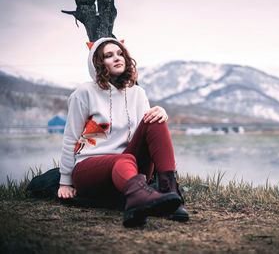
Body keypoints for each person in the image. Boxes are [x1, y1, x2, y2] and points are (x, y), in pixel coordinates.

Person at [58, 37, 189, 227]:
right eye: (109, 56)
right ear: (97, 63)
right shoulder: (83, 93)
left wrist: (161, 112)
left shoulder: (138, 93)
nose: (117, 58)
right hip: (90, 170)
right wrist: (65, 182)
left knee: (155, 120)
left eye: (120, 54)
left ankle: (170, 193)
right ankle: (138, 199)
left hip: (129, 169)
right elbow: (70, 137)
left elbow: (145, 133)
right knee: (123, 160)